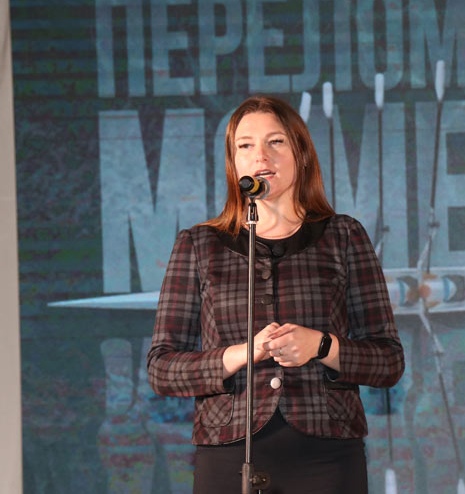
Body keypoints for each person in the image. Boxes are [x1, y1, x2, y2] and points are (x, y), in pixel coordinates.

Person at [147, 95, 404, 493]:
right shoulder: (199, 244)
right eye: (245, 145)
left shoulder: (344, 235)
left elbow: (388, 362)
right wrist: (241, 354)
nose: (260, 156)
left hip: (327, 457)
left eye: (276, 141)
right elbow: (162, 369)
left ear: (301, 153)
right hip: (229, 454)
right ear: (234, 163)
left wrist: (321, 346)